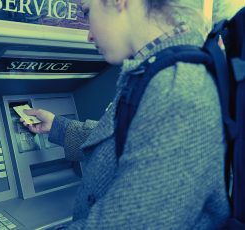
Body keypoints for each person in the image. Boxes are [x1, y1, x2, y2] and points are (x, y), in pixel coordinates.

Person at [21, 0, 231, 228]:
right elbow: (131, 138)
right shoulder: (156, 69)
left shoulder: (177, 87)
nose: (89, 36)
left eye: (87, 12)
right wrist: (59, 128)